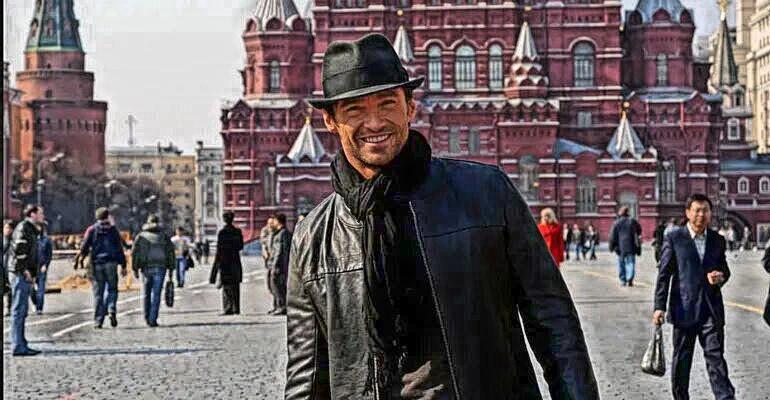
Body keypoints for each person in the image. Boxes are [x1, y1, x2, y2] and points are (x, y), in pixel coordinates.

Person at [285, 34, 598, 399]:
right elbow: (308, 375)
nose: (374, 122)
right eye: (354, 110)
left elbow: (554, 323)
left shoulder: (486, 194)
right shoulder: (314, 237)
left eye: (387, 103)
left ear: (410, 108)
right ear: (330, 120)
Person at [653, 194, 735, 400]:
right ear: (688, 213)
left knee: (716, 358)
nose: (701, 215)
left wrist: (720, 276)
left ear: (710, 213)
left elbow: (725, 269)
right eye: (697, 210)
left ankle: (725, 397)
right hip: (684, 309)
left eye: (705, 210)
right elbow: (664, 274)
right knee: (682, 360)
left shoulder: (717, 240)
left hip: (710, 309)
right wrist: (659, 306)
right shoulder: (675, 238)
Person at [80, 207, 127, 329]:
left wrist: (82, 258)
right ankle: (111, 309)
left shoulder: (92, 230)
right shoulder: (113, 230)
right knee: (112, 289)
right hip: (111, 263)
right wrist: (123, 265)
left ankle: (98, 321)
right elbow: (119, 248)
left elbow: (84, 247)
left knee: (98, 293)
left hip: (97, 264)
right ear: (107, 216)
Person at [7, 205, 44, 356]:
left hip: (23, 273)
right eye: (40, 213)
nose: (43, 216)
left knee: (22, 310)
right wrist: (25, 270)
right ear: (32, 214)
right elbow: (19, 251)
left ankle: (21, 343)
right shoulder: (24, 228)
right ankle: (18, 346)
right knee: (19, 310)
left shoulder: (30, 229)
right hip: (19, 273)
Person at [131, 214, 175, 327]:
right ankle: (153, 319)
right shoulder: (164, 236)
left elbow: (135, 252)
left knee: (146, 293)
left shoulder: (141, 236)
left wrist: (135, 268)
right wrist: (171, 269)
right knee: (156, 294)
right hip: (160, 267)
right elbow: (170, 253)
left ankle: (146, 317)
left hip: (146, 267)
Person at [210, 211, 244, 315]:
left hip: (225, 261)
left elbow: (219, 250)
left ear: (224, 220)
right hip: (235, 260)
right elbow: (240, 246)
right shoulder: (237, 231)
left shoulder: (222, 232)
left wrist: (215, 268)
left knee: (226, 286)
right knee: (235, 286)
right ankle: (236, 308)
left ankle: (228, 308)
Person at [609, 206, 642, 286]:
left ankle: (623, 280)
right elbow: (639, 230)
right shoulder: (632, 221)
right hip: (631, 246)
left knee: (621, 264)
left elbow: (612, 236)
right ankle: (630, 278)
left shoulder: (617, 222)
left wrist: (611, 247)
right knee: (630, 263)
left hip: (620, 247)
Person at [267, 213, 291, 315]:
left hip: (279, 266)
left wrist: (275, 265)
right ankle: (277, 306)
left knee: (278, 286)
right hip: (277, 265)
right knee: (274, 286)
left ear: (278, 221)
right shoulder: (280, 233)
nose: (273, 222)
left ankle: (282, 307)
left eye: (275, 221)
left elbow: (280, 252)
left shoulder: (283, 233)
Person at [34, 222, 53, 314]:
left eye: (39, 227)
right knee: (31, 290)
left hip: (42, 267)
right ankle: (36, 301)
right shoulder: (31, 239)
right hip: (32, 267)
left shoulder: (46, 240)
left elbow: (49, 254)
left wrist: (46, 265)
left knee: (41, 288)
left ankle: (39, 308)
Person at [3, 220, 15, 315]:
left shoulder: (14, 241)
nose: (8, 230)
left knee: (9, 290)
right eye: (6, 228)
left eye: (9, 228)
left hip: (10, 268)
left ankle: (8, 307)